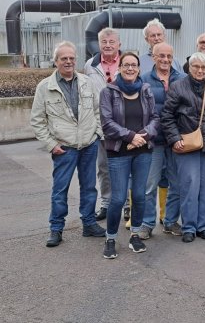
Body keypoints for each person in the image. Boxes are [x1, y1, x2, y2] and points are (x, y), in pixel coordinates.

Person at [30, 41, 106, 247]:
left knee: (89, 188)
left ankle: (89, 224)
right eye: (64, 58)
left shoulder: (87, 82)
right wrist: (51, 144)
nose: (69, 62)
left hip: (89, 144)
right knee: (60, 190)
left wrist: (97, 133)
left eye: (72, 58)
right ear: (55, 61)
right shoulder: (45, 87)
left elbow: (98, 110)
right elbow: (37, 120)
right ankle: (56, 229)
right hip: (64, 148)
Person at [161, 52, 205, 243]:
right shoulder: (178, 86)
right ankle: (189, 226)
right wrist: (174, 138)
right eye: (196, 67)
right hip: (186, 145)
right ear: (189, 68)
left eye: (203, 67)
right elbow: (167, 116)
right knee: (189, 186)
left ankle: (204, 225)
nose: (200, 70)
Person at [99, 52, 158, 258]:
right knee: (118, 198)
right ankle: (111, 238)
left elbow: (155, 118)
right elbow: (107, 123)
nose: (130, 68)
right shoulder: (109, 91)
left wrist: (144, 135)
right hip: (118, 152)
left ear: (139, 68)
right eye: (126, 65)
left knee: (140, 196)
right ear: (120, 68)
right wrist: (132, 136)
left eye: (134, 65)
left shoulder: (146, 90)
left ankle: (135, 235)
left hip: (143, 151)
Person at [140, 42, 185, 239]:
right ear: (154, 57)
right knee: (150, 184)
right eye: (161, 56)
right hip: (154, 141)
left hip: (177, 141)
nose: (165, 60)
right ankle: (147, 223)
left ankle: (170, 221)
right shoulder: (143, 80)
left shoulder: (183, 79)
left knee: (176, 184)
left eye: (169, 56)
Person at [82, 28, 121, 221]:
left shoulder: (128, 62)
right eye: (104, 42)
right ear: (99, 44)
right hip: (101, 124)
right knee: (104, 167)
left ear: (118, 44)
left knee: (127, 166)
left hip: (125, 124)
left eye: (111, 42)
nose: (108, 45)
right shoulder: (90, 65)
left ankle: (127, 205)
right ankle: (106, 203)